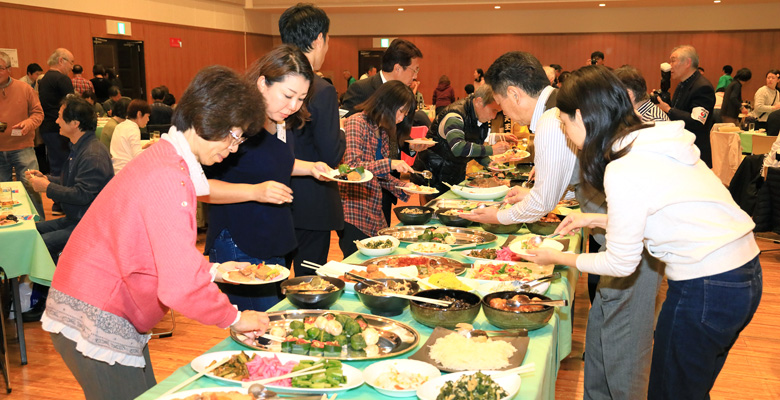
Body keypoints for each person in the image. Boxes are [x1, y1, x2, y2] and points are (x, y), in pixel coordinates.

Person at [530, 65, 762, 400]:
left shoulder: (624, 165)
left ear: (581, 116)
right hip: (741, 275)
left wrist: (559, 257)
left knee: (670, 391)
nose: (565, 133)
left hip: (708, 284)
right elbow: (663, 213)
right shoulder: (648, 139)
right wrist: (593, 220)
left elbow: (621, 263)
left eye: (564, 123)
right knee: (687, 388)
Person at [40, 66, 270, 400]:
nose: (234, 148)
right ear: (209, 118)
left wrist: (213, 270)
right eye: (233, 135)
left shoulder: (167, 158)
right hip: (96, 313)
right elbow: (178, 286)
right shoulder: (169, 175)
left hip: (95, 304)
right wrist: (233, 317)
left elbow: (153, 249)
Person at [204, 45, 330, 311]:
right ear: (262, 83)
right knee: (259, 326)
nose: (293, 106)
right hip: (239, 239)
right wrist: (254, 192)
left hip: (275, 234)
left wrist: (310, 168)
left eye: (301, 98)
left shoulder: (280, 119)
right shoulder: (234, 122)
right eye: (288, 95)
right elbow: (201, 187)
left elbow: (271, 163)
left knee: (275, 318)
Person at [24, 95, 114, 322]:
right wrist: (47, 178)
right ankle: (36, 297)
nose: (56, 122)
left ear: (75, 123)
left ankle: (46, 303)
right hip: (77, 218)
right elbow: (70, 182)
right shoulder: (80, 148)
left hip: (89, 225)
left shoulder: (92, 154)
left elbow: (82, 194)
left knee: (42, 245)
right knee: (30, 232)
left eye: (60, 117)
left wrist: (47, 188)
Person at [462, 51, 577, 227]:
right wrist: (532, 195)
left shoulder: (551, 120)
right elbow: (572, 182)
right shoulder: (557, 105)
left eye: (500, 104)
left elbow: (542, 204)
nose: (503, 113)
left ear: (515, 94)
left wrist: (498, 216)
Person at [278, 4, 347, 274]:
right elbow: (330, 155)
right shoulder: (321, 89)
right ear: (319, 39)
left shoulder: (273, 81)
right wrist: (341, 129)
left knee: (276, 279)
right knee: (308, 284)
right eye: (327, 41)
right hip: (312, 201)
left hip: (277, 200)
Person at [342, 38, 431, 224]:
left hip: (386, 181)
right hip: (357, 196)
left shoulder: (404, 95)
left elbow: (401, 134)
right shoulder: (361, 91)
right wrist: (390, 164)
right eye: (414, 69)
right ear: (398, 67)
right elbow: (346, 132)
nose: (415, 76)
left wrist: (412, 150)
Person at [338, 80, 415, 256]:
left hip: (373, 210)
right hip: (353, 211)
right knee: (355, 262)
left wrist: (404, 187)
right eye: (401, 112)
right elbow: (350, 168)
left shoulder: (382, 130)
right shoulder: (357, 123)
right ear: (388, 104)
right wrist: (389, 163)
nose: (402, 118)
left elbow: (380, 175)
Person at [411, 84, 514, 195]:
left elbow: (473, 147)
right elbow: (458, 147)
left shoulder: (478, 117)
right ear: (479, 101)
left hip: (453, 173)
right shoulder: (455, 115)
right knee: (434, 210)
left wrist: (490, 164)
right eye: (493, 110)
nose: (494, 116)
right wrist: (492, 149)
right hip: (433, 174)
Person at [0, 51, 45, 217]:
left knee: (31, 186)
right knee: (2, 194)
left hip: (23, 147)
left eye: (0, 68)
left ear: (9, 69)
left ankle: (39, 225)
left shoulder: (24, 89)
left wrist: (28, 123)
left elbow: (38, 114)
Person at [656, 45, 716, 167]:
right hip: (682, 148)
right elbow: (678, 110)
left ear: (688, 62)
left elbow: (697, 121)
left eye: (673, 60)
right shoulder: (682, 85)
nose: (670, 65)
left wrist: (669, 109)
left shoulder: (702, 87)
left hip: (695, 151)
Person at [38, 48, 75, 198]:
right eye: (71, 62)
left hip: (47, 128)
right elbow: (72, 104)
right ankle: (63, 202)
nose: (72, 67)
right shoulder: (62, 79)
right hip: (61, 129)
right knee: (66, 167)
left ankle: (56, 202)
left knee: (55, 166)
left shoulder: (44, 79)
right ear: (61, 60)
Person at [110, 99, 152, 174]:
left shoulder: (120, 126)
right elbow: (138, 157)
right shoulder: (133, 128)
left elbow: (126, 150)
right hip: (127, 172)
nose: (148, 119)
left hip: (115, 170)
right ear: (139, 114)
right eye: (147, 116)